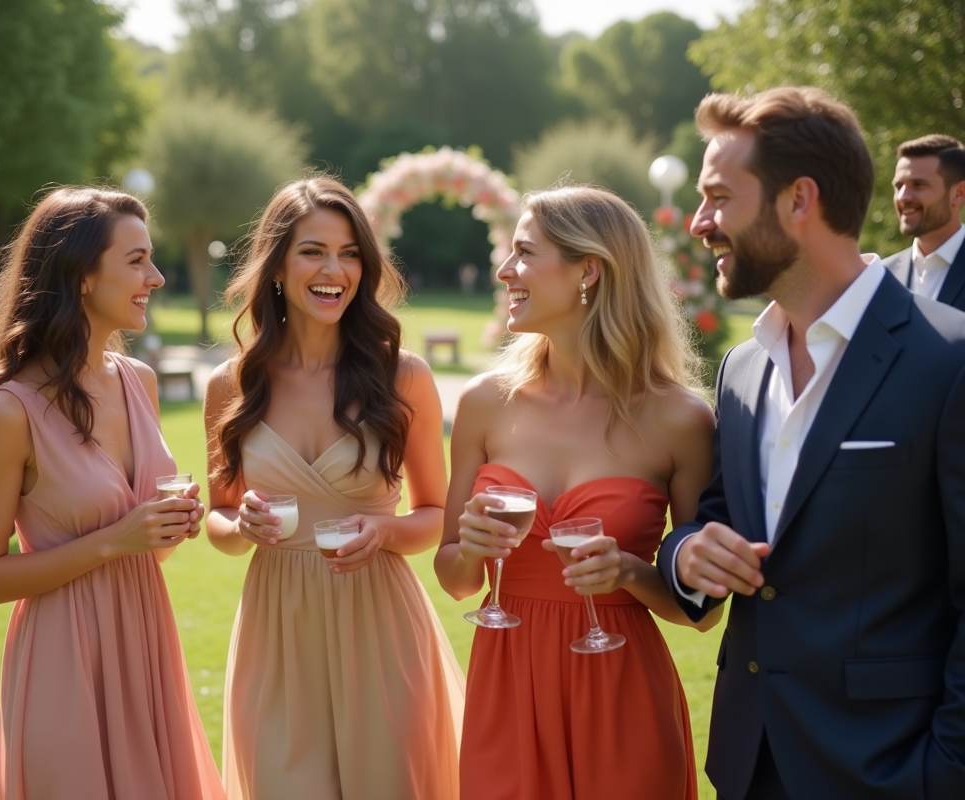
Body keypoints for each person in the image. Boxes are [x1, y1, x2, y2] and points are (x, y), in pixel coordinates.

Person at [658, 87, 965, 800]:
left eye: (718, 197)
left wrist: (940, 777)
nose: (701, 222)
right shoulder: (741, 367)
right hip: (747, 766)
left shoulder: (947, 363)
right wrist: (687, 553)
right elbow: (714, 518)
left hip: (887, 771)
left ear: (800, 199)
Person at [0, 187, 224, 799]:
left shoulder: (138, 382)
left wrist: (165, 528)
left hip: (147, 644)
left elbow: (145, 551)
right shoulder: (10, 409)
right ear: (83, 276)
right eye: (136, 260)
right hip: (63, 658)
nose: (156, 275)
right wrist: (113, 540)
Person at [434, 185, 717, 800]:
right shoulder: (484, 404)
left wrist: (629, 573)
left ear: (589, 269)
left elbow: (699, 612)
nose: (504, 270)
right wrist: (473, 547)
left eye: (524, 253)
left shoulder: (681, 421)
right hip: (505, 687)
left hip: (619, 689)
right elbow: (456, 579)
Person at [203, 176, 463, 800]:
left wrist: (389, 530)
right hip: (277, 632)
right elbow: (219, 515)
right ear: (276, 266)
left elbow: (437, 513)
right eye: (313, 250)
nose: (334, 269)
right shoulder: (230, 385)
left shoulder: (403, 377)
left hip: (380, 622)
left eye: (349, 253)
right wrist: (241, 528)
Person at [882, 134, 965, 309]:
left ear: (959, 193)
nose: (903, 197)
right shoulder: (881, 278)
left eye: (918, 185)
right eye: (899, 187)